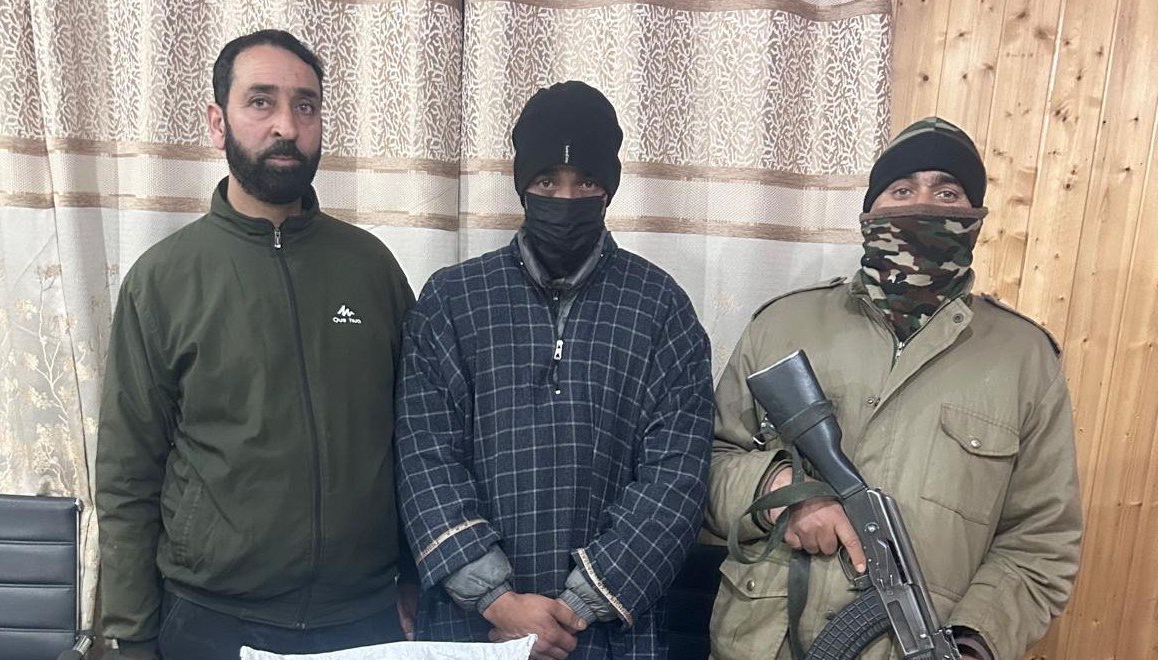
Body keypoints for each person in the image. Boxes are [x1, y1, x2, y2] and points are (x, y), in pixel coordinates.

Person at [705, 117, 1082, 660]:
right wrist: (783, 493)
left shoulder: (1025, 359)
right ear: (870, 211)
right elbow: (708, 463)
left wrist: (975, 642)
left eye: (947, 193)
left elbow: (1042, 540)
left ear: (974, 218)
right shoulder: (782, 324)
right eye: (902, 190)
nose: (922, 205)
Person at [96, 29, 416, 659]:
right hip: (211, 621)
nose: (287, 127)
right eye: (261, 101)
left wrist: (415, 577)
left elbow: (416, 438)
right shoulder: (163, 280)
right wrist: (131, 636)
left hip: (363, 620)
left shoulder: (370, 268)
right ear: (218, 122)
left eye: (306, 106)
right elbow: (128, 475)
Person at [395, 81, 713, 660]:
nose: (565, 198)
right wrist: (497, 600)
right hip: (476, 628)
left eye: (585, 182)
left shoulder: (660, 308)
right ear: (523, 184)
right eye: (547, 181)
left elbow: (677, 477)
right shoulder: (453, 300)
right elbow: (425, 456)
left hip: (609, 631)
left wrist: (575, 608)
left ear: (609, 186)